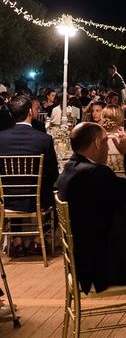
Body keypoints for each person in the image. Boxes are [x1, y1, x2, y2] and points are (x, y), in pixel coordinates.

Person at [55, 123, 126, 294]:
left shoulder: (69, 168)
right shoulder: (95, 174)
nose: (107, 146)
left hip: (81, 262)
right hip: (101, 267)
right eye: (105, 142)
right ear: (97, 142)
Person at [0, 95, 59, 255]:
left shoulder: (1, 138)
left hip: (7, 198)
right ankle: (38, 242)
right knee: (59, 197)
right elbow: (53, 174)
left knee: (15, 189)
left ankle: (17, 240)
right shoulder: (44, 139)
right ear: (29, 112)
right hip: (36, 198)